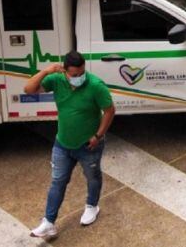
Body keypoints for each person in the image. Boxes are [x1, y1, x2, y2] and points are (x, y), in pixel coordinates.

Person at [25, 51, 115, 239]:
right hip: (63, 143)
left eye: (82, 73)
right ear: (64, 71)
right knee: (58, 181)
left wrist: (98, 136)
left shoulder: (95, 86)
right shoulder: (56, 80)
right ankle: (48, 222)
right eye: (74, 75)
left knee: (92, 176)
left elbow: (109, 110)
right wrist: (46, 71)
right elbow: (29, 89)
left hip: (88, 146)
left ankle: (92, 205)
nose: (79, 78)